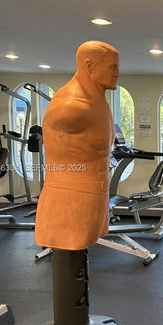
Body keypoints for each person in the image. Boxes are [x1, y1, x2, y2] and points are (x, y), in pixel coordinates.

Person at [35, 41, 119, 250]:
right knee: (70, 256)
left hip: (96, 194)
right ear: (89, 65)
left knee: (81, 255)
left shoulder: (99, 101)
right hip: (70, 199)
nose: (117, 73)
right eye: (112, 67)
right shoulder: (70, 107)